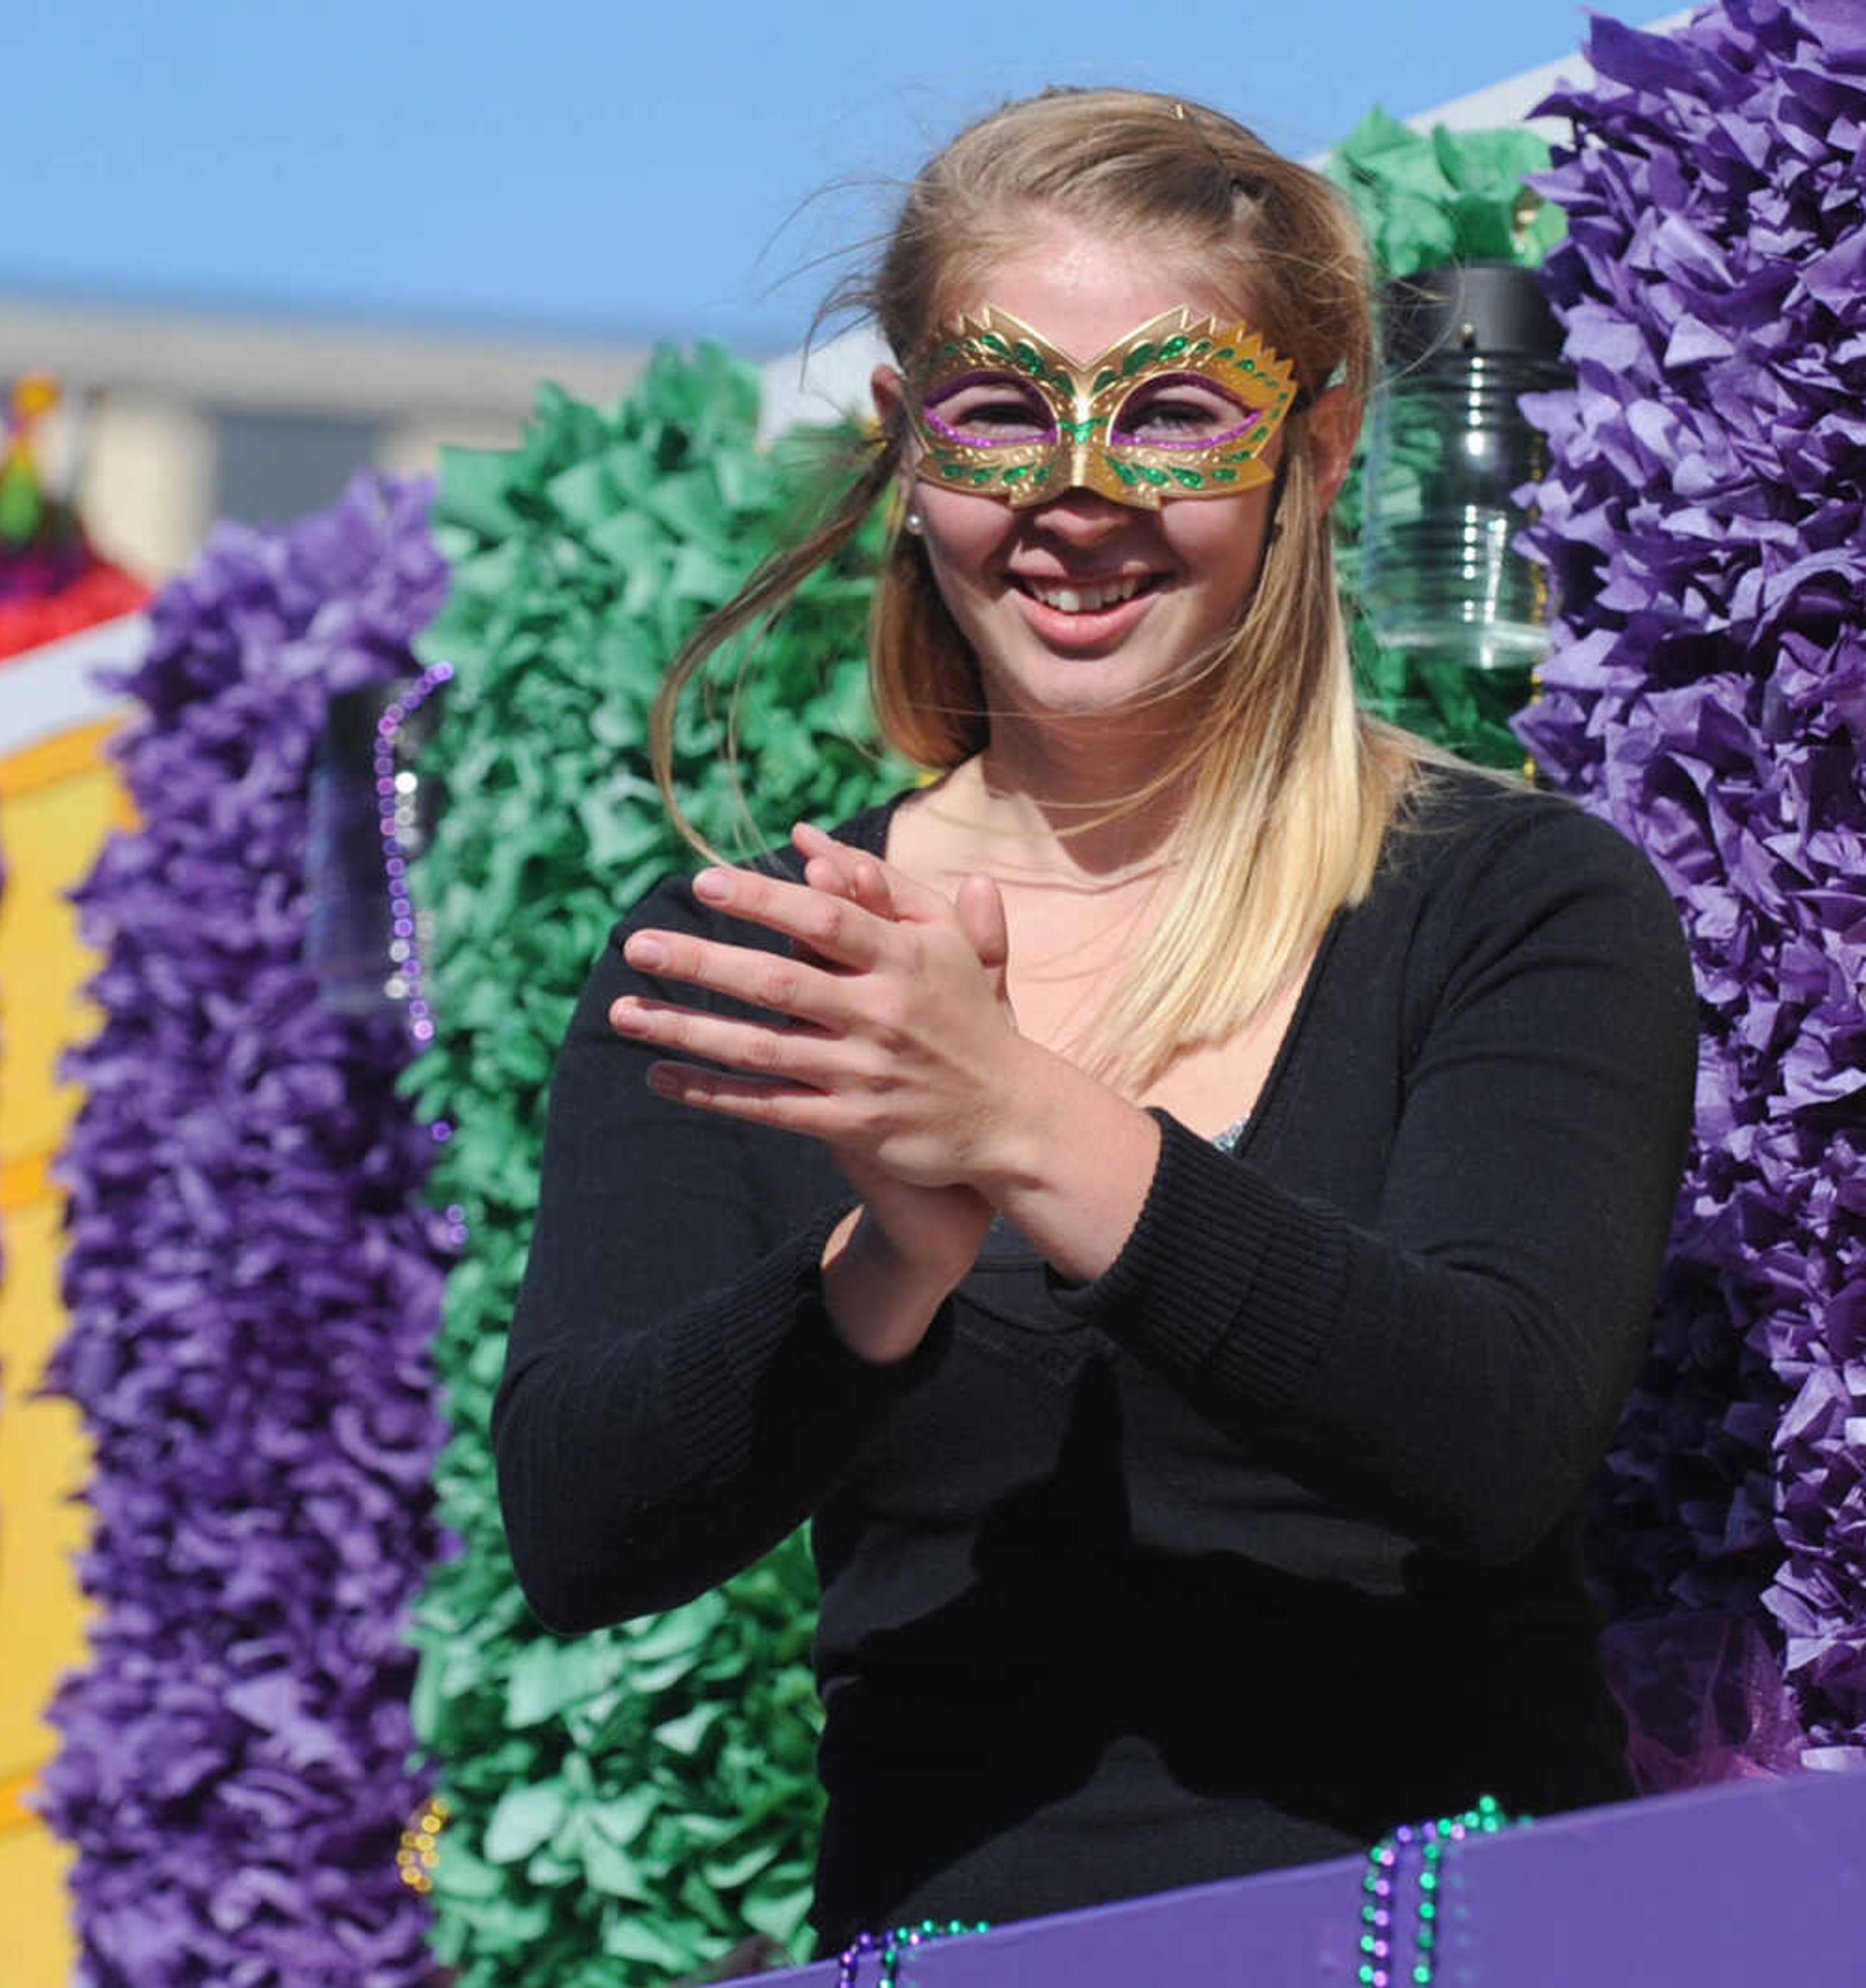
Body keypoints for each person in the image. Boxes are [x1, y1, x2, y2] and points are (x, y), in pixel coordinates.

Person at [495, 87, 1698, 1947]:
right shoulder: (767, 956)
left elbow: (1500, 1435)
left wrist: (1034, 1131)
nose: (1078, 495)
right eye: (998, 411)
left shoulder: (1517, 900)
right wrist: (883, 1266)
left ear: (1317, 446)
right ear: (907, 449)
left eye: (1170, 415)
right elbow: (580, 1529)